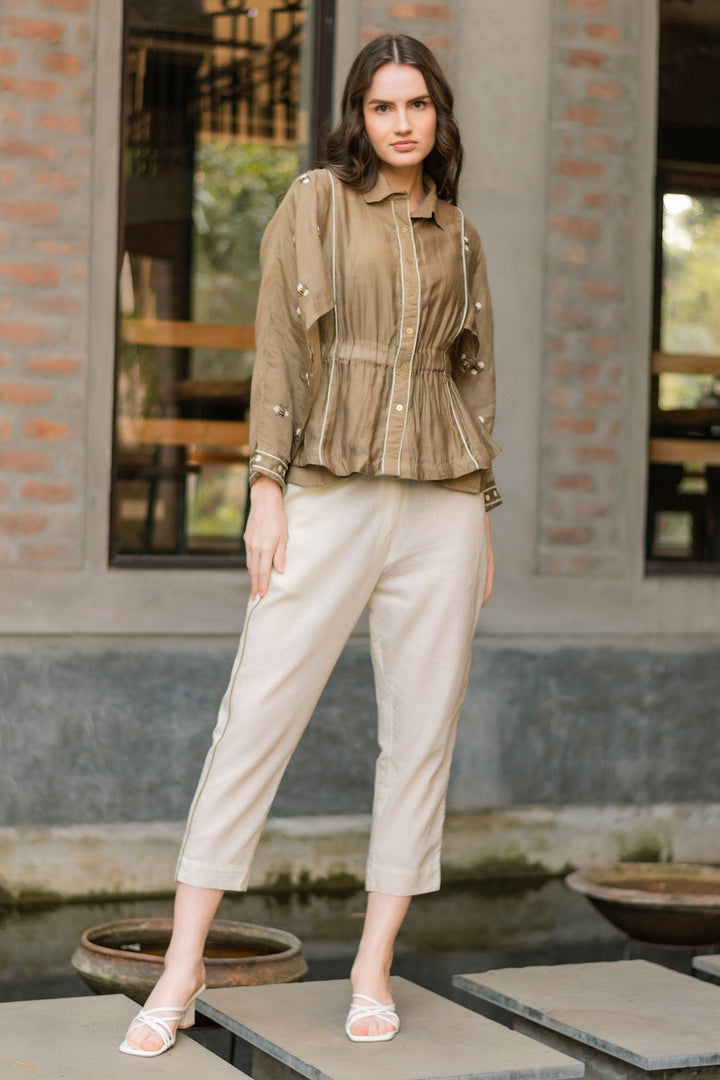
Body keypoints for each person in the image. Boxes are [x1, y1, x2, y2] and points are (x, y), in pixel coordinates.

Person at [120, 31, 501, 1058]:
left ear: (438, 115)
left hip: (442, 507)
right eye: (383, 107)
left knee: (420, 736)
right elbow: (283, 349)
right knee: (255, 717)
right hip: (329, 493)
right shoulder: (316, 203)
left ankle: (373, 966)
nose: (402, 123)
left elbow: (475, 374)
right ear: (358, 118)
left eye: (417, 105)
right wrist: (266, 487)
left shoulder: (461, 236)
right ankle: (182, 966)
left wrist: (480, 507)